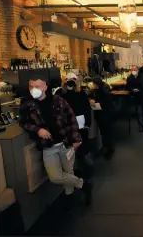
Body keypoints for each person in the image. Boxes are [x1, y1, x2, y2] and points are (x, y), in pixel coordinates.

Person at [19, 75, 87, 210]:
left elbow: (71, 119)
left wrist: (76, 138)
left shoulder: (58, 100)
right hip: (48, 147)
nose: (34, 89)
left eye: (37, 86)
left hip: (65, 143)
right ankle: (82, 184)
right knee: (55, 177)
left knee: (68, 170)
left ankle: (70, 197)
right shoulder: (26, 104)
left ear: (45, 87)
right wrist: (37, 129)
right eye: (31, 86)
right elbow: (23, 122)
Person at [55, 73, 93, 205]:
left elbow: (87, 108)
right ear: (64, 81)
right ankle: (74, 183)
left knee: (84, 153)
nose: (71, 82)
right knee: (69, 156)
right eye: (68, 80)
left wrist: (88, 123)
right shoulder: (60, 93)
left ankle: (87, 176)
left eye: (73, 80)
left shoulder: (80, 93)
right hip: (67, 129)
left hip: (81, 128)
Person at [89, 76, 114, 160]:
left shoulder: (103, 91)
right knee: (105, 133)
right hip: (104, 116)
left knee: (106, 134)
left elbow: (104, 105)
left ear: (96, 84)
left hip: (105, 116)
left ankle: (109, 150)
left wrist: (94, 103)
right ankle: (107, 148)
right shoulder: (101, 89)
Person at [127, 65, 143, 132]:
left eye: (134, 70)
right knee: (138, 112)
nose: (133, 71)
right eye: (132, 70)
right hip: (136, 97)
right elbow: (128, 87)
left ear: (137, 70)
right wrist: (132, 90)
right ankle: (140, 125)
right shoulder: (129, 78)